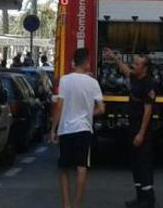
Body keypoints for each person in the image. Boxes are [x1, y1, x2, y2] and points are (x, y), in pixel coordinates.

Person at [50, 48, 105, 208]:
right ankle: (77, 204)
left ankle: (66, 204)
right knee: (82, 167)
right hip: (84, 129)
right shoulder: (93, 83)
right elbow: (102, 108)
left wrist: (53, 129)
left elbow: (59, 106)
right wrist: (88, 113)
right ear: (87, 63)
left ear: (73, 63)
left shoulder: (65, 80)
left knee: (63, 168)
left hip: (66, 129)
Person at [104, 49, 157, 208]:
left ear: (145, 68)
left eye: (137, 64)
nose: (133, 65)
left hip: (142, 130)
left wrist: (141, 134)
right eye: (134, 63)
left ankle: (148, 200)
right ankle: (140, 198)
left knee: (143, 164)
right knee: (135, 164)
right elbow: (125, 69)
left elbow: (148, 111)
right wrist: (115, 58)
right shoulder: (135, 77)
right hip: (133, 127)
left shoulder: (148, 84)